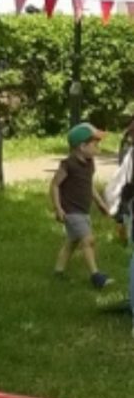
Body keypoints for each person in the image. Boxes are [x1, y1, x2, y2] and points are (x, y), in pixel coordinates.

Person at [51, 123, 112, 290]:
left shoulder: (90, 163)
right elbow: (55, 185)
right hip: (71, 211)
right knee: (88, 239)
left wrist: (100, 203)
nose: (98, 147)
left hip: (83, 211)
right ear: (82, 146)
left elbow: (88, 185)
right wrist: (58, 208)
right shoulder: (68, 165)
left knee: (72, 242)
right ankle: (96, 275)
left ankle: (58, 271)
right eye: (95, 144)